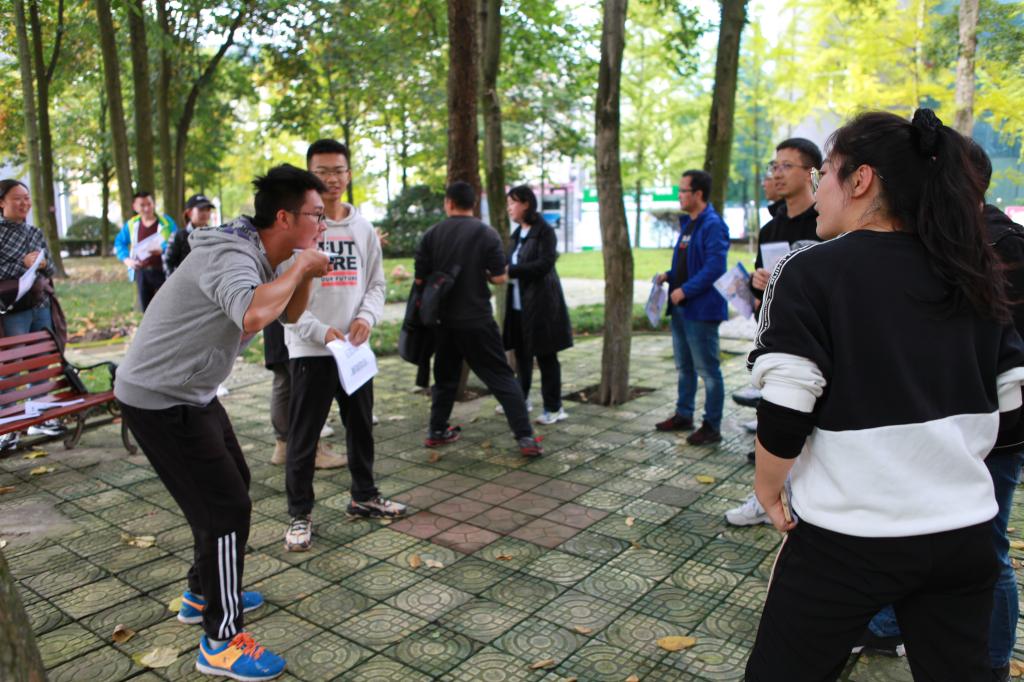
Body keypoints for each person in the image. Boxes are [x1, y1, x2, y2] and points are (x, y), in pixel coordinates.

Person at [744, 109, 1024, 681]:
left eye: (825, 173)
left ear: (862, 179)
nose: (818, 190)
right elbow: (1015, 413)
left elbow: (787, 406)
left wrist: (768, 488)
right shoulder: (969, 269)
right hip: (964, 535)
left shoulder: (810, 270)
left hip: (847, 537)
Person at [115, 164, 331, 681]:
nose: (324, 224)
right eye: (316, 215)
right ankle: (221, 641)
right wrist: (302, 267)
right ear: (285, 217)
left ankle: (201, 592)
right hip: (160, 398)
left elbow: (288, 316)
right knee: (225, 507)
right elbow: (252, 313)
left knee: (233, 483)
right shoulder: (231, 254)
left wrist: (303, 270)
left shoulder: (266, 254)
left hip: (190, 393)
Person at [281, 138, 401, 553]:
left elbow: (376, 284)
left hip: (353, 351)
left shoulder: (362, 228)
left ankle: (364, 496)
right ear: (309, 176)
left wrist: (366, 318)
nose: (331, 179)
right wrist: (321, 332)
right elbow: (284, 299)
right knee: (304, 438)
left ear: (349, 175)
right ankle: (299, 514)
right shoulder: (299, 230)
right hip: (311, 351)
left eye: (338, 171)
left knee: (361, 427)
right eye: (322, 172)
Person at [727, 138, 823, 519]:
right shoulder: (771, 228)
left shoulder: (826, 223)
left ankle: (806, 504)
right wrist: (758, 283)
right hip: (776, 339)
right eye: (774, 166)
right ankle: (769, 499)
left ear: (811, 173)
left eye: (786, 166)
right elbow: (757, 285)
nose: (777, 174)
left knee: (813, 431)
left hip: (818, 342)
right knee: (776, 421)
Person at [415, 181, 543, 457]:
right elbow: (499, 277)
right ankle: (525, 438)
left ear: (448, 203)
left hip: (443, 322)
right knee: (501, 377)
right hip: (477, 320)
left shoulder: (431, 235)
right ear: (473, 204)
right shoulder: (487, 234)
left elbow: (420, 280)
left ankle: (436, 431)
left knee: (445, 378)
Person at [653, 170, 730, 445]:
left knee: (708, 371)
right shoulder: (689, 224)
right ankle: (684, 414)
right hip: (681, 309)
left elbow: (714, 267)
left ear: (698, 194)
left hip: (701, 310)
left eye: (683, 191)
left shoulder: (713, 225)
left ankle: (712, 426)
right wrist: (669, 275)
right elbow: (689, 264)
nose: (679, 196)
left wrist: (685, 289)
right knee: (684, 367)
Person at [501, 185, 573, 425]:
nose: (509, 208)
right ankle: (521, 400)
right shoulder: (517, 234)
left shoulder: (544, 231)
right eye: (508, 203)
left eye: (512, 203)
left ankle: (554, 408)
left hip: (542, 305)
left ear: (526, 204)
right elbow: (509, 262)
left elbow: (544, 264)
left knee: (546, 356)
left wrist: (512, 270)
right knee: (521, 355)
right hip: (518, 305)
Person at [0, 179, 61, 447]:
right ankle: (7, 424)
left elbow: (52, 268)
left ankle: (41, 417)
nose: (24, 203)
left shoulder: (34, 232)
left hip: (40, 305)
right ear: (1, 202)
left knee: (41, 361)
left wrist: (43, 264)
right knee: (11, 366)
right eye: (17, 198)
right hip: (13, 309)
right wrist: (22, 264)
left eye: (26, 198)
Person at [114, 191, 177, 312]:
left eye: (149, 204)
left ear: (154, 204)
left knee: (168, 309)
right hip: (142, 272)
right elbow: (119, 243)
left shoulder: (167, 222)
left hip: (164, 271)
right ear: (135, 207)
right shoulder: (131, 224)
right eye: (142, 205)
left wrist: (163, 250)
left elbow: (177, 242)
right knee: (147, 311)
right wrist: (127, 260)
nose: (147, 208)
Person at [164, 194, 214, 276]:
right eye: (201, 209)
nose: (205, 213)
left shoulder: (215, 235)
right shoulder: (178, 236)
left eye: (208, 209)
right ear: (189, 213)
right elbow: (168, 263)